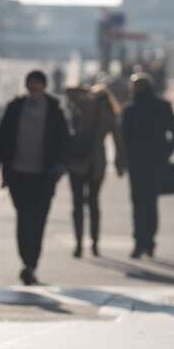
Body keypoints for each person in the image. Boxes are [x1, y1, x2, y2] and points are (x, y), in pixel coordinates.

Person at [0, 70, 70, 285]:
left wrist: (60, 167)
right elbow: (1, 141)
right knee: (24, 219)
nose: (33, 87)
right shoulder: (15, 107)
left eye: (37, 84)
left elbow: (64, 142)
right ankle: (26, 260)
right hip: (18, 174)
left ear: (44, 86)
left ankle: (31, 263)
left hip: (45, 176)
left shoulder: (54, 109)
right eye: (30, 83)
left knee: (39, 221)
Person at [122, 72, 174, 259]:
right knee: (151, 202)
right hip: (155, 161)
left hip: (137, 162)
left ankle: (140, 242)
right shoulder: (162, 106)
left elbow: (124, 137)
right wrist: (167, 151)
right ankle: (148, 242)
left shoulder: (130, 109)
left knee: (139, 203)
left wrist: (124, 159)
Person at [65, 84, 126, 258]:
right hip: (98, 163)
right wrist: (120, 164)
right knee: (94, 203)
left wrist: (86, 90)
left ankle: (78, 243)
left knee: (77, 204)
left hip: (77, 161)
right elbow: (118, 141)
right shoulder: (110, 114)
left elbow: (69, 91)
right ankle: (95, 242)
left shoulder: (85, 106)